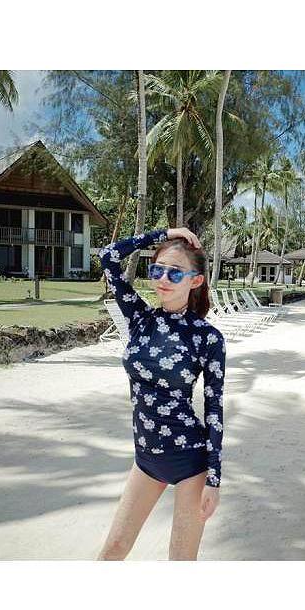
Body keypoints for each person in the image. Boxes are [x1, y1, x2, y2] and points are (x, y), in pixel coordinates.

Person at [95, 226, 226, 560]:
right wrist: (164, 233)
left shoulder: (208, 338)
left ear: (196, 281)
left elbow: (214, 409)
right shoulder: (140, 318)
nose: (163, 279)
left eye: (175, 272)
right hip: (145, 458)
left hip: (189, 460)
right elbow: (108, 256)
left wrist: (214, 479)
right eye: (157, 270)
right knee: (113, 549)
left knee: (179, 560)